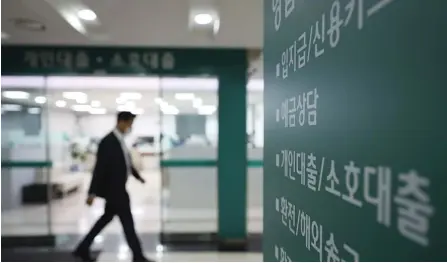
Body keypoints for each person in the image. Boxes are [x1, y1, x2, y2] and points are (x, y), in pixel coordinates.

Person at [73, 111, 149, 262]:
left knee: (105, 219)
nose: (130, 127)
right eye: (129, 123)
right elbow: (99, 169)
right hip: (115, 191)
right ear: (122, 122)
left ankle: (82, 248)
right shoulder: (108, 142)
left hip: (118, 189)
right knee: (128, 223)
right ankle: (138, 256)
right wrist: (91, 193)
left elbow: (126, 163)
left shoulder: (119, 140)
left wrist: (138, 177)